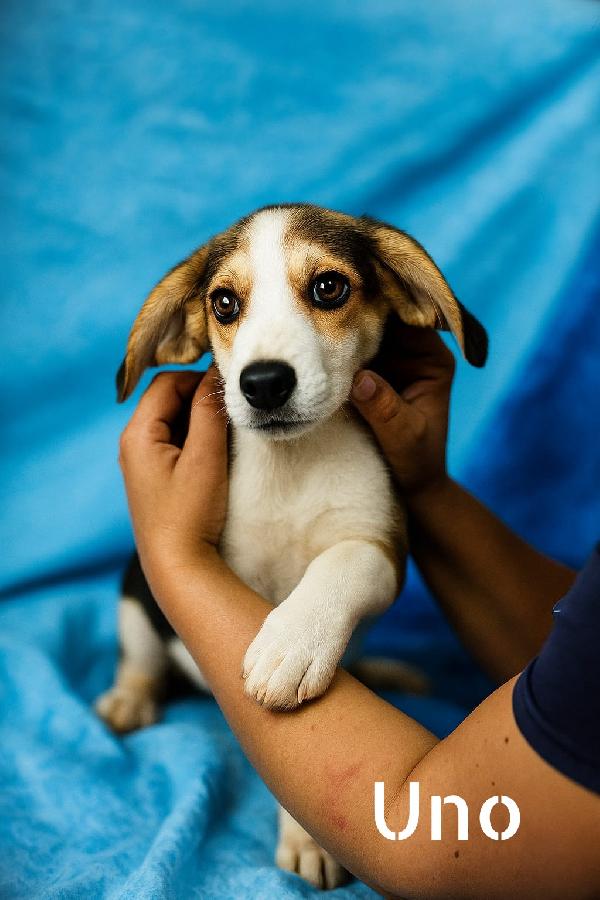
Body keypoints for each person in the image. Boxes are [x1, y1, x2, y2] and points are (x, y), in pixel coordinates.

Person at [117, 320, 600, 899]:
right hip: (183, 651)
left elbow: (451, 851)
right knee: (139, 607)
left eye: (326, 291)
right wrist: (421, 485)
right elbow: (580, 654)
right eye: (227, 304)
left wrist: (175, 554)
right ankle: (140, 672)